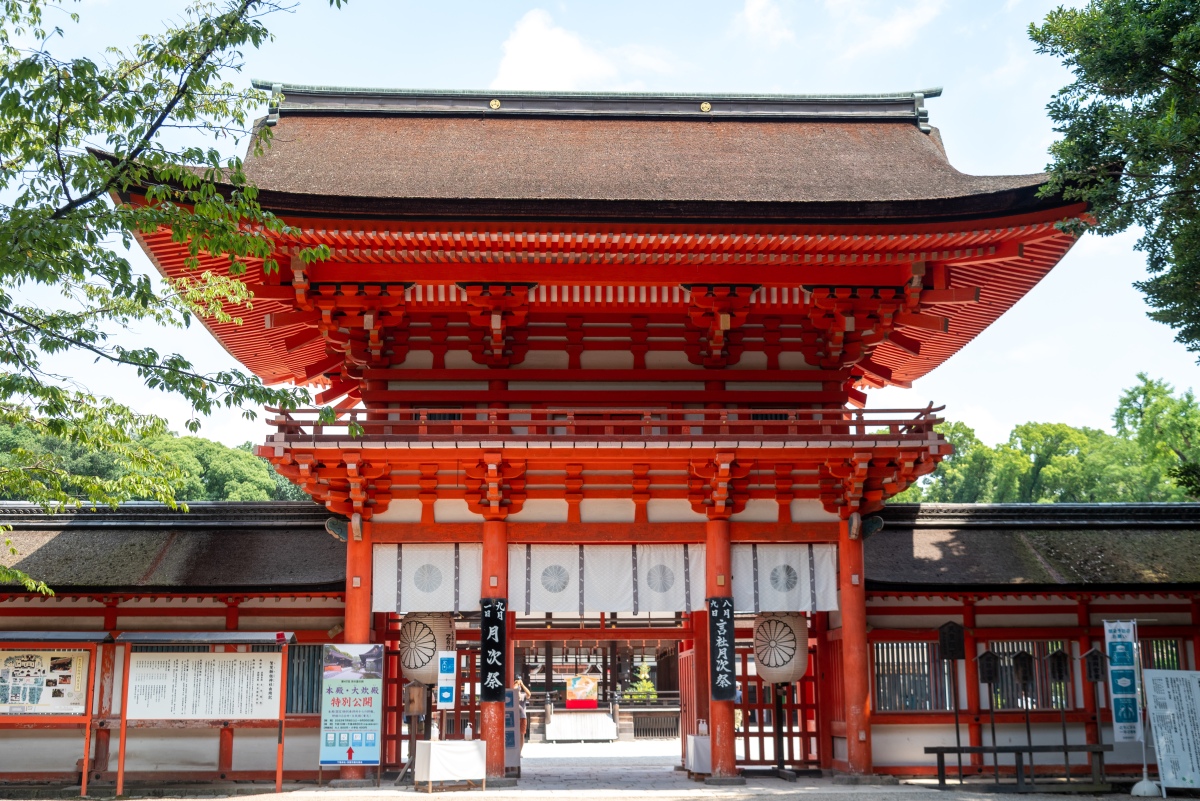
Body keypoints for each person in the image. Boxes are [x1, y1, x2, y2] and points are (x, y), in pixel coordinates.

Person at [513, 678, 531, 751]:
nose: (518, 687)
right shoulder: (513, 695)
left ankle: (520, 751)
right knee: (515, 734)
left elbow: (529, 694)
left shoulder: (523, 695)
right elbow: (514, 690)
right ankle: (515, 750)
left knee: (522, 735)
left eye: (519, 686)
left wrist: (522, 684)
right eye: (518, 686)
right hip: (514, 716)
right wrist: (516, 686)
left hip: (522, 716)